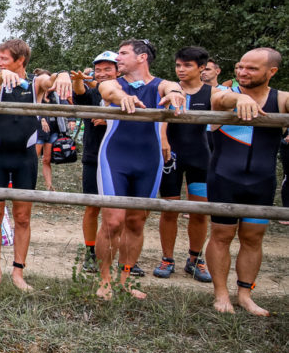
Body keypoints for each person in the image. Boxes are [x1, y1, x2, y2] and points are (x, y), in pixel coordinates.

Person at [94, 39, 186, 300]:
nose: (117, 58)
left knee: (136, 221)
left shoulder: (160, 86)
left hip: (149, 160)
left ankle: (126, 278)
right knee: (112, 221)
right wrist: (125, 98)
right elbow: (108, 91)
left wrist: (177, 93)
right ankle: (104, 279)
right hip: (115, 158)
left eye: (123, 54)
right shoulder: (114, 83)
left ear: (142, 57)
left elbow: (171, 86)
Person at [0, 39, 72, 291]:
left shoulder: (34, 84)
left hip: (25, 158)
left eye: (4, 59)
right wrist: (2, 73)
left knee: (22, 218)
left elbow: (49, 81)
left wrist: (62, 74)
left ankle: (18, 273)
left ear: (20, 60)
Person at [205, 48, 287, 316]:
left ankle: (245, 295)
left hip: (261, 181)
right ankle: (220, 293)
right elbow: (220, 99)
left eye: (251, 68)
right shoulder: (222, 94)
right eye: (240, 66)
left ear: (271, 72)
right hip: (223, 177)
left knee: (253, 238)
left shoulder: (282, 99)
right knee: (222, 235)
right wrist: (240, 96)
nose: (242, 72)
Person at [154, 46, 215, 282]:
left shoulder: (212, 93)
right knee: (169, 210)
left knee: (199, 212)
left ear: (202, 68)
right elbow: (161, 118)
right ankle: (167, 258)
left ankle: (195, 259)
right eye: (178, 65)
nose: (181, 70)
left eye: (187, 65)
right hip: (171, 158)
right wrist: (163, 139)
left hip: (200, 158)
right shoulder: (170, 90)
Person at [71, 51, 119, 273]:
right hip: (93, 156)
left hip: (120, 159)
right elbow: (79, 94)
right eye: (98, 69)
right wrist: (78, 81)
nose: (102, 74)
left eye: (107, 69)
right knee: (92, 207)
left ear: (119, 71)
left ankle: (121, 256)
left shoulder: (128, 93)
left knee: (120, 211)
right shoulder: (92, 93)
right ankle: (91, 253)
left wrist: (111, 118)